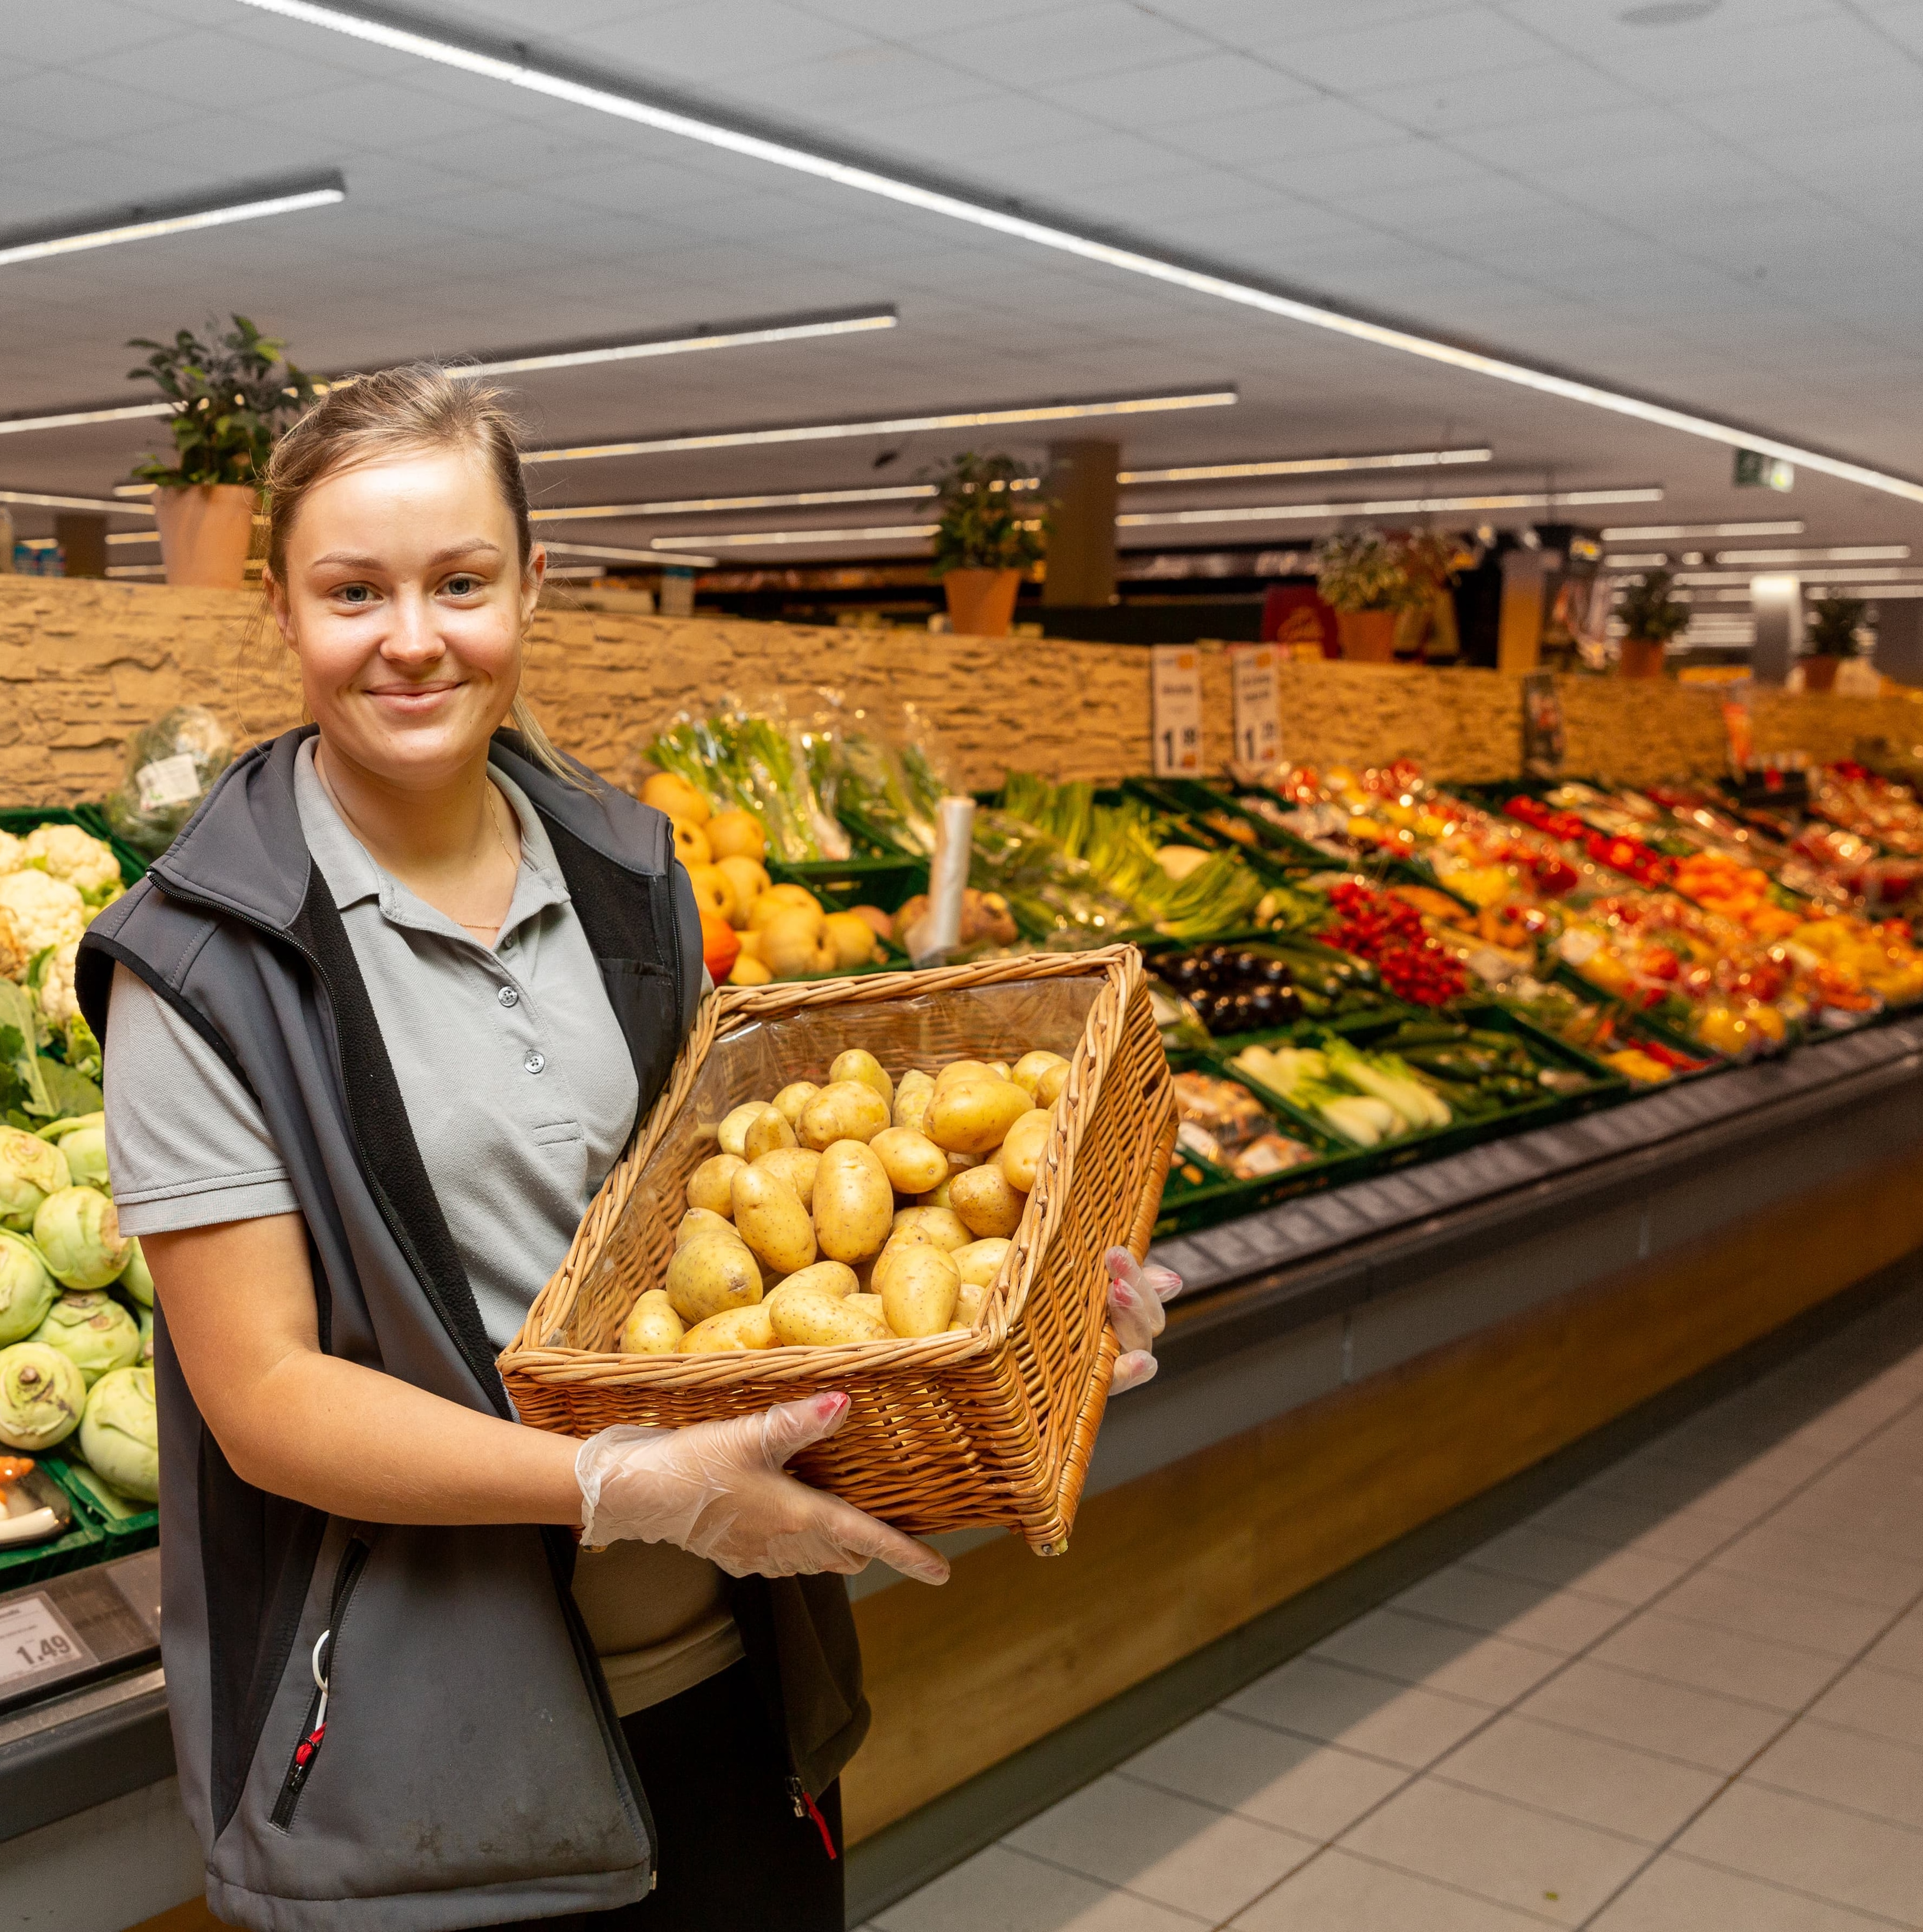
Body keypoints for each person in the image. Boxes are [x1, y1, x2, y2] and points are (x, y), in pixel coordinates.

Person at [80, 367, 1178, 1932]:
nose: (411, 637)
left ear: (532, 587)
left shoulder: (626, 874)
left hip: (731, 1691)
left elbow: (732, 1252)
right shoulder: (203, 968)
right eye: (353, 591)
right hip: (424, 1758)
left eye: (459, 582)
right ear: (281, 610)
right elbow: (264, 1401)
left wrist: (1027, 1323)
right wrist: (616, 1485)